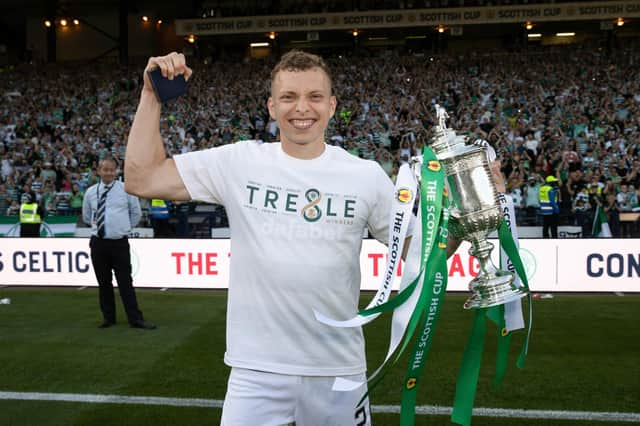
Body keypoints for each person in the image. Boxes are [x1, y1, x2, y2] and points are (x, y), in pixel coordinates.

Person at [125, 51, 468, 425]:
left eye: (314, 96)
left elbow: (421, 253)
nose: (301, 108)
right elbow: (143, 178)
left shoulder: (365, 176)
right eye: (288, 97)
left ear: (332, 105)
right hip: (256, 372)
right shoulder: (238, 162)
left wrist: (472, 216)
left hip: (339, 371)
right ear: (272, 107)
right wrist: (151, 95)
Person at [82, 156, 156, 330]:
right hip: (98, 243)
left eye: (111, 169)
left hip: (119, 243)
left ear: (116, 171)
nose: (108, 172)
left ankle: (135, 319)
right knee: (104, 282)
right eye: (105, 169)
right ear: (98, 171)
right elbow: (87, 216)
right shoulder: (91, 192)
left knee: (125, 282)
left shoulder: (126, 190)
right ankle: (109, 318)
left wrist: (121, 228)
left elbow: (136, 214)